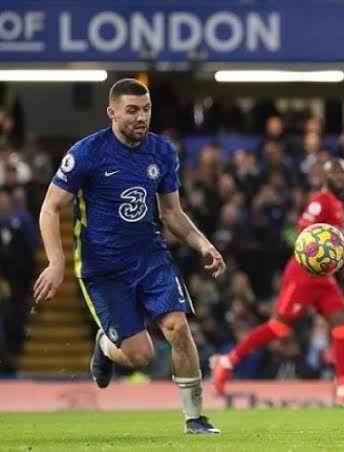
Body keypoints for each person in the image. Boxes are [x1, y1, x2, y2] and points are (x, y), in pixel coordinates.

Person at [32, 79, 226, 434]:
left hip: (150, 257)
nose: (141, 117)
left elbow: (171, 212)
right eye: (132, 110)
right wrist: (56, 262)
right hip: (102, 267)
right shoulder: (87, 153)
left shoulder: (163, 152)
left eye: (146, 109)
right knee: (141, 356)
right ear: (112, 113)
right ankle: (105, 346)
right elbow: (50, 208)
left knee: (178, 327)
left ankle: (195, 418)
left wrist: (203, 244)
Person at [211, 158, 344, 406]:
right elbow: (305, 231)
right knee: (279, 327)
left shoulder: (337, 203)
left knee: (343, 325)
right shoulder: (320, 202)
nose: (340, 178)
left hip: (324, 277)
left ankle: (343, 388)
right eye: (335, 173)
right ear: (325, 177)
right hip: (303, 274)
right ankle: (227, 361)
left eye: (343, 174)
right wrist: (323, 245)